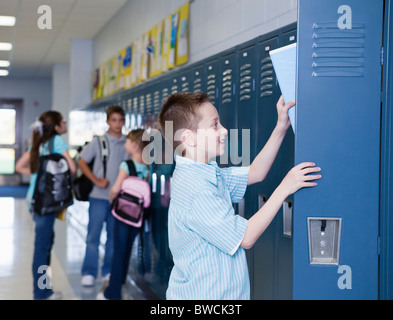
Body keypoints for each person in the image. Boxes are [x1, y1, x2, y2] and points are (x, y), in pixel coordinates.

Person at [158, 92, 322, 299]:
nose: (224, 130)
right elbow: (246, 238)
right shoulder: (197, 190)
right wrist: (285, 188)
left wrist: (281, 126)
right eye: (215, 125)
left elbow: (255, 172)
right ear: (189, 138)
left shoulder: (207, 173)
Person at [15, 111, 76, 300]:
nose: (65, 123)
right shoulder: (57, 141)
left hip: (34, 199)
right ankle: (41, 293)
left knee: (44, 244)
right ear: (57, 127)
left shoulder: (39, 142)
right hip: (47, 201)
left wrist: (36, 175)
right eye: (63, 121)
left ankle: (44, 290)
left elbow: (19, 166)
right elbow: (72, 168)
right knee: (43, 247)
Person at [96, 129, 150, 300]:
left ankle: (113, 292)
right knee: (127, 250)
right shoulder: (147, 167)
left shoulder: (126, 165)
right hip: (137, 217)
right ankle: (119, 282)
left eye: (127, 141)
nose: (125, 144)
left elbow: (115, 188)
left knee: (118, 251)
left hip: (122, 215)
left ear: (134, 145)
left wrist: (113, 201)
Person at [79, 105, 129, 287]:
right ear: (108, 121)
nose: (117, 124)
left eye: (120, 120)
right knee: (93, 235)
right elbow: (82, 161)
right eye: (114, 120)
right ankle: (89, 272)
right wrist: (96, 180)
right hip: (98, 197)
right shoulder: (99, 142)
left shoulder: (127, 142)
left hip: (119, 198)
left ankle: (108, 271)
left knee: (113, 237)